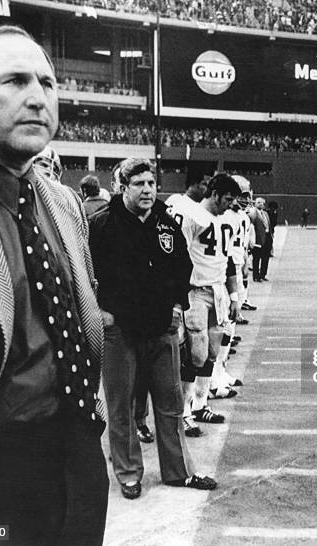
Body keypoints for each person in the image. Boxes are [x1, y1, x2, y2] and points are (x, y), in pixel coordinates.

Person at [0, 26, 108, 544]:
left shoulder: (62, 203)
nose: (37, 97)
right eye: (14, 80)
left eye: (48, 83)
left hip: (76, 452)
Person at [88, 158, 216, 499]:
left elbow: (181, 268)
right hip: (120, 331)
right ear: (122, 187)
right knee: (121, 405)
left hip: (161, 328)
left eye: (151, 183)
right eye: (139, 184)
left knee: (170, 402)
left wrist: (177, 306)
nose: (147, 190)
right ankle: (129, 473)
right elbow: (86, 272)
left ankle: (178, 472)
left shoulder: (166, 223)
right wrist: (100, 311)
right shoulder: (101, 224)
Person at [166, 173, 242, 432]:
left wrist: (234, 296)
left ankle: (200, 405)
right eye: (227, 199)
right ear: (215, 194)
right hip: (195, 291)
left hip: (218, 290)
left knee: (211, 352)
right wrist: (176, 298)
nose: (229, 205)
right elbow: (176, 257)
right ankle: (183, 411)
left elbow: (229, 261)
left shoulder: (228, 219)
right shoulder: (191, 215)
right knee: (195, 354)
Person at [250, 197, 272, 282]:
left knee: (265, 257)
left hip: (267, 238)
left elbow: (269, 225)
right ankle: (256, 275)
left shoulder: (265, 213)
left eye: (262, 203)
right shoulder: (253, 214)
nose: (260, 204)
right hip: (258, 239)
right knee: (256, 258)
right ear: (255, 204)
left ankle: (263, 274)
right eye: (258, 202)